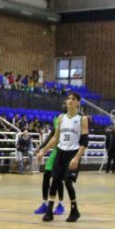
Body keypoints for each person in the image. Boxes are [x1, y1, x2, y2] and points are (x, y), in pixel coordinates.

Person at [36, 93, 88, 222]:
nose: (70, 101)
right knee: (55, 180)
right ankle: (49, 211)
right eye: (68, 99)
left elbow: (85, 141)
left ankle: (74, 210)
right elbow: (55, 137)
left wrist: (77, 158)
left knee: (68, 181)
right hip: (61, 151)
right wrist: (43, 151)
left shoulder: (82, 119)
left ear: (78, 103)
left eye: (73, 99)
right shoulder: (60, 118)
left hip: (73, 152)